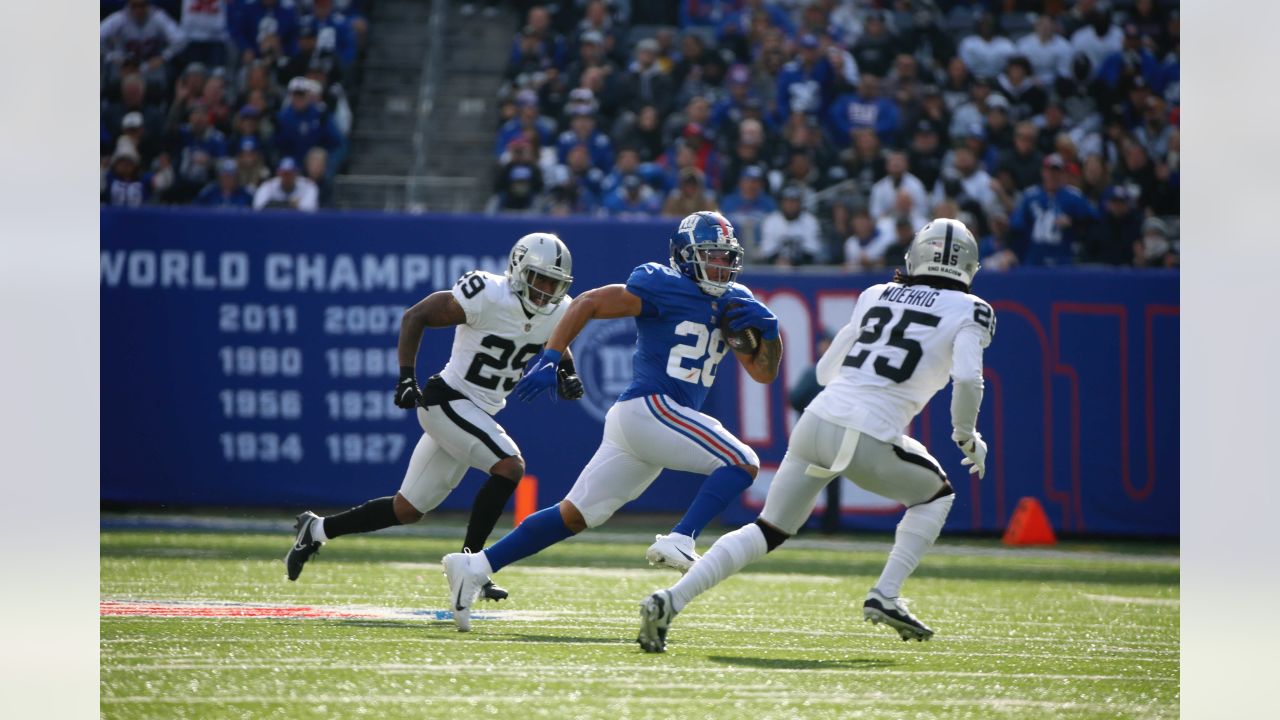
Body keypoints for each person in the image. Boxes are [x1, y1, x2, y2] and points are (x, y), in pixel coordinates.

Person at [637, 218, 996, 652]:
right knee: (937, 496)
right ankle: (886, 593)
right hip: (868, 431)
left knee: (766, 530)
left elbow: (826, 370)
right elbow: (969, 380)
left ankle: (669, 601)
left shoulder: (876, 293)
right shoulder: (972, 310)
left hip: (817, 420)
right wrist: (965, 434)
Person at [442, 211, 783, 632]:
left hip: (645, 422)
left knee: (575, 515)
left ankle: (474, 566)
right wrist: (552, 356)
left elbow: (764, 373)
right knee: (741, 461)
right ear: (684, 255)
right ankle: (681, 537)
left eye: (727, 257)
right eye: (711, 256)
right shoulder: (663, 283)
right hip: (651, 406)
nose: (721, 266)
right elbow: (588, 302)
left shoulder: (736, 300)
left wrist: (771, 336)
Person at [286, 234, 581, 605]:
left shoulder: (556, 310)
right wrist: (406, 377)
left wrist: (567, 372)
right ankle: (473, 566)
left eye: (555, 283)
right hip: (448, 399)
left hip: (477, 412)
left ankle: (317, 529)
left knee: (406, 509)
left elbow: (557, 338)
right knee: (509, 466)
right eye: (541, 279)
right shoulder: (488, 294)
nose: (547, 291)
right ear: (519, 270)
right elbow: (417, 316)